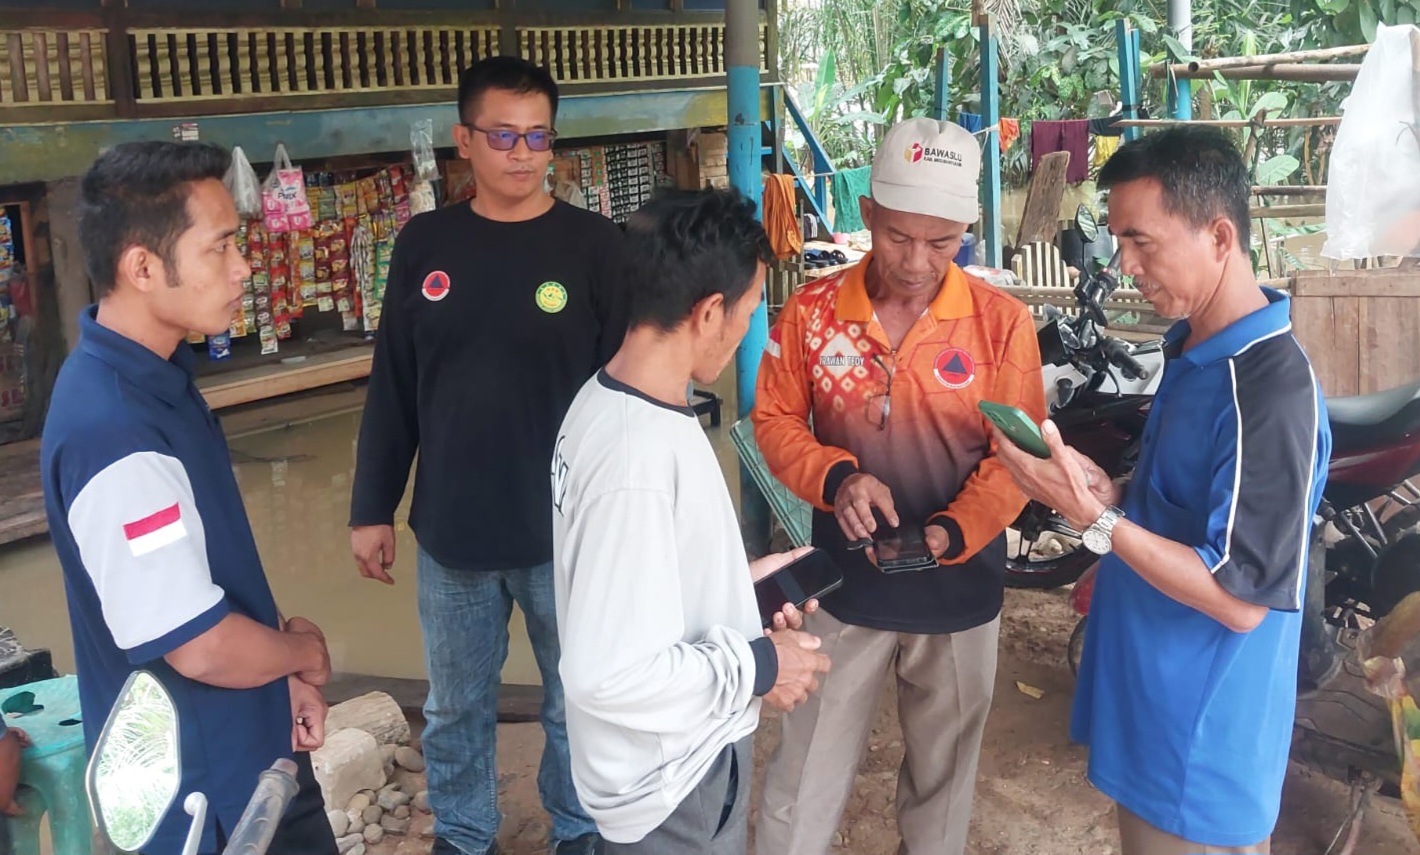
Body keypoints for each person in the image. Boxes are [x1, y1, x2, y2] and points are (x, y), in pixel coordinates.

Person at [992, 126, 1330, 855]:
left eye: (1143, 242)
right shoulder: (1191, 349)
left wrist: (1097, 521)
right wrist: (1109, 489)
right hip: (1154, 715)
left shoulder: (1267, 391)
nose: (1126, 265)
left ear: (1218, 236)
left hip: (1199, 755)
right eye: (1119, 242)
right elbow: (1180, 507)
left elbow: (1239, 599)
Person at [349, 56, 627, 855]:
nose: (522, 152)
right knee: (454, 704)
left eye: (538, 135)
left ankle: (577, 826)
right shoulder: (424, 244)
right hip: (453, 532)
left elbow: (627, 399)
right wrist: (371, 508)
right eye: (503, 134)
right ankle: (465, 832)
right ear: (463, 141)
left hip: (568, 534)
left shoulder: (594, 246)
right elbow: (395, 386)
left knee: (579, 696)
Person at [752, 117, 1046, 855]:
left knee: (943, 787)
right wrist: (838, 477)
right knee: (803, 777)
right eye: (899, 236)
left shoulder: (1001, 326)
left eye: (942, 242)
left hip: (959, 592)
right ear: (868, 215)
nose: (917, 261)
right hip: (842, 590)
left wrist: (947, 532)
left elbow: (1017, 462)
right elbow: (776, 419)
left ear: (966, 233)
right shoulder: (813, 315)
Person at [39, 141, 336, 855]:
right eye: (221, 249)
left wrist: (280, 681)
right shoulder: (113, 431)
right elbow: (199, 646)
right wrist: (301, 649)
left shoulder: (157, 374)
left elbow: (209, 587)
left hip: (250, 752)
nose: (243, 269)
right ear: (142, 266)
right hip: (206, 804)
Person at [551, 187, 832, 855]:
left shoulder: (607, 400)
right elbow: (607, 674)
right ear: (710, 312)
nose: (747, 328)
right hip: (669, 789)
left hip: (663, 768)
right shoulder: (636, 458)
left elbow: (633, 582)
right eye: (748, 311)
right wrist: (762, 664)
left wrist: (734, 585)